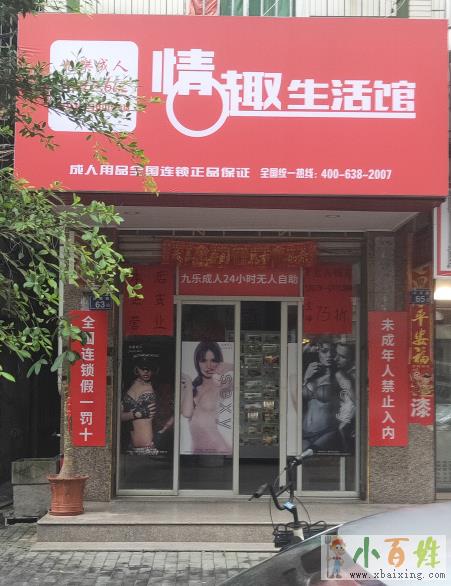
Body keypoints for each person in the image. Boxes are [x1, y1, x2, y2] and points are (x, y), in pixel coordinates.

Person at [181, 340, 233, 455]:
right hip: (195, 450)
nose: (208, 366)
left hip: (218, 449)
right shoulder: (191, 386)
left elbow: (245, 377)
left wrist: (228, 367)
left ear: (219, 361)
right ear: (197, 362)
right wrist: (188, 383)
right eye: (203, 360)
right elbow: (187, 413)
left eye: (213, 360)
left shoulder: (223, 385)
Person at [302, 340, 341, 452]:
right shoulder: (311, 375)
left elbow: (355, 402)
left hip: (327, 431)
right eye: (324, 351)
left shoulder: (339, 376)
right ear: (318, 353)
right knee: (297, 459)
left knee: (301, 458)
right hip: (305, 433)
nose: (329, 355)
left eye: (333, 352)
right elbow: (294, 401)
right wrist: (305, 378)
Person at [121, 354, 159, 456]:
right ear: (136, 368)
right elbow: (118, 416)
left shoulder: (152, 388)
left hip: (148, 446)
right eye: (142, 368)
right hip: (130, 446)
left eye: (149, 368)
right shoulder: (129, 386)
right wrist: (136, 414)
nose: (146, 371)